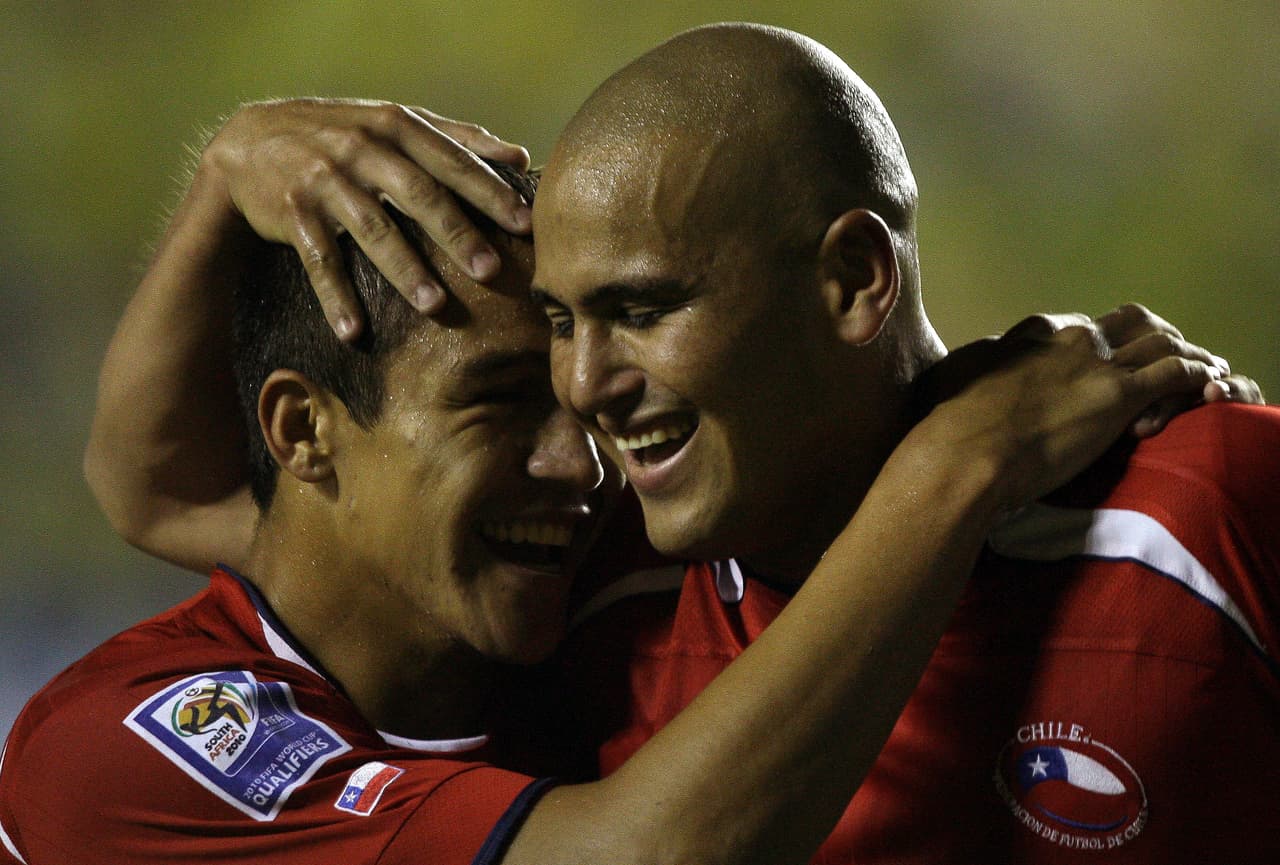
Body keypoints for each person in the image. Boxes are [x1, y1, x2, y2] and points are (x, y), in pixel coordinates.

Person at [0, 98, 1247, 865]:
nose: (580, 457)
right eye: (498, 399)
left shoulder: (563, 593)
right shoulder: (129, 754)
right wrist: (957, 460)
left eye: (584, 370)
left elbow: (153, 483)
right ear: (303, 433)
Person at [529, 22, 1280, 864]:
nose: (584, 385)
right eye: (560, 320)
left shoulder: (1212, 505)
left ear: (854, 278)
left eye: (641, 311)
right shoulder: (573, 601)